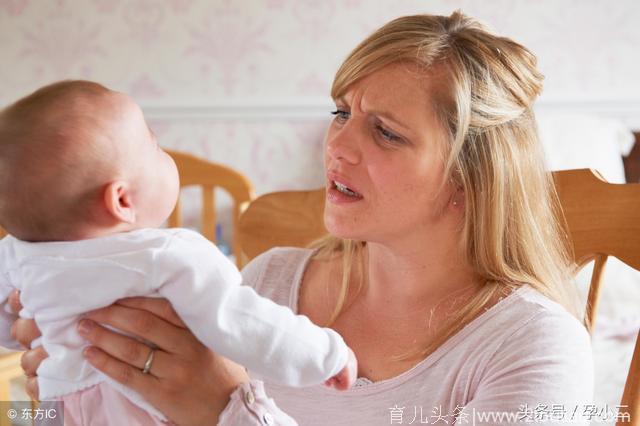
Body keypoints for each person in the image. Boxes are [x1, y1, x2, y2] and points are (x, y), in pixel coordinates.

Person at [13, 11, 594, 426]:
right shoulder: (268, 283)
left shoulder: (533, 348)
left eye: (386, 132)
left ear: (471, 176)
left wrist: (228, 410)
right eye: (341, 112)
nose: (338, 144)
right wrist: (81, 383)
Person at [0, 81, 356, 425]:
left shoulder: (16, 253)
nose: (165, 153)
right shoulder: (167, 256)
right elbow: (242, 321)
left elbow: (11, 327)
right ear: (122, 200)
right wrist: (326, 354)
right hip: (137, 409)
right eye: (155, 146)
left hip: (57, 406)